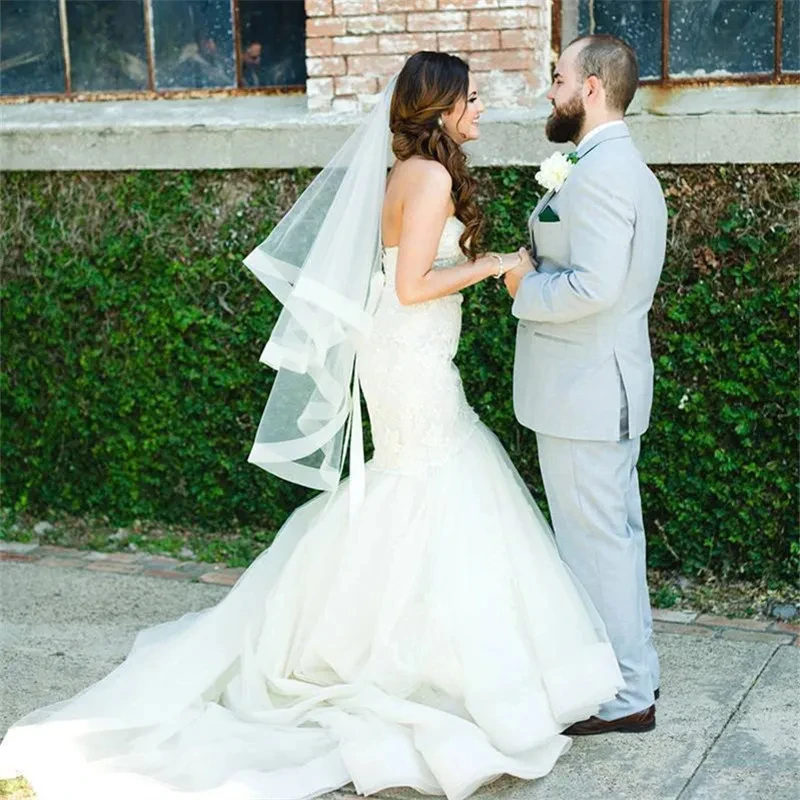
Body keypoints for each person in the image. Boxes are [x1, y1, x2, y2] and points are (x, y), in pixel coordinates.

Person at [0, 52, 624, 800]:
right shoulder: (424, 178)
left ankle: (388, 640)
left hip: (406, 354)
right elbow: (411, 284)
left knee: (419, 483)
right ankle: (403, 658)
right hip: (411, 359)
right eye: (473, 99)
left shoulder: (411, 173)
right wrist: (491, 265)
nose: (483, 109)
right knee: (427, 481)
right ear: (441, 109)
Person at [504, 34, 666, 734]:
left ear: (591, 86)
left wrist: (522, 283)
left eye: (558, 77)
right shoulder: (610, 164)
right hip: (600, 387)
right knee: (612, 543)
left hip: (586, 392)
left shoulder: (601, 174)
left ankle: (626, 697)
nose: (551, 89)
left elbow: (596, 286)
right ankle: (633, 682)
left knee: (598, 547)